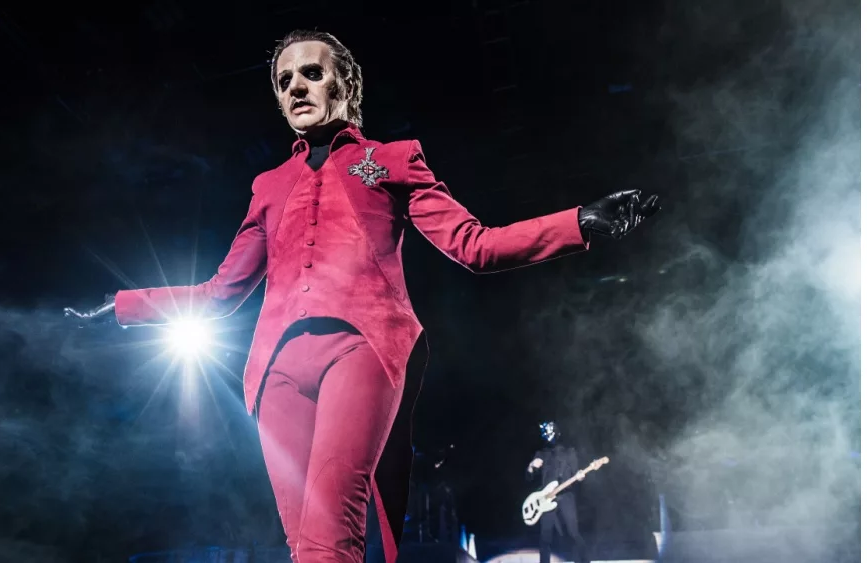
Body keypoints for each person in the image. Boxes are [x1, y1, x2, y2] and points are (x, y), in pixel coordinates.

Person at [64, 30, 659, 563]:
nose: (296, 86)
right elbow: (220, 293)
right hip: (274, 373)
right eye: (284, 80)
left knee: (329, 536)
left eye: (312, 73)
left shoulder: (392, 160)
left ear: (346, 85)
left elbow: (474, 245)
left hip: (362, 351)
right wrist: (121, 310)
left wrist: (582, 220)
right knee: (306, 546)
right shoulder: (268, 186)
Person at [526, 421, 589, 563]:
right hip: (545, 499)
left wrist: (580, 476)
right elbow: (529, 477)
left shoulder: (570, 452)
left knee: (573, 533)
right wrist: (531, 466)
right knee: (545, 537)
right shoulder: (541, 454)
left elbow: (577, 474)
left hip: (566, 495)